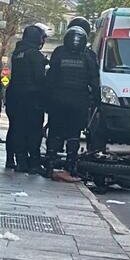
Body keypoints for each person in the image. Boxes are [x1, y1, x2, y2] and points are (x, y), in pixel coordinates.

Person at [44, 26, 100, 180]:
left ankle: (50, 162)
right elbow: (95, 81)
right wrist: (97, 101)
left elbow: (50, 78)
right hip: (79, 101)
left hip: (58, 99)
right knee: (74, 133)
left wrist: (47, 100)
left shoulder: (59, 53)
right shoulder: (88, 56)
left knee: (55, 131)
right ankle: (71, 164)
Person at [6, 24, 48, 173]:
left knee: (17, 129)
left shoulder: (17, 53)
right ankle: (34, 163)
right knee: (34, 132)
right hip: (32, 98)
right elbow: (40, 79)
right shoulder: (35, 55)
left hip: (15, 96)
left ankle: (19, 161)